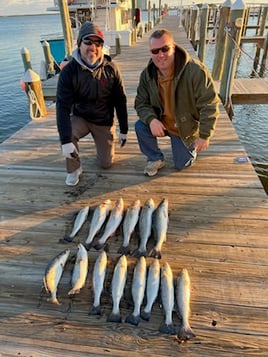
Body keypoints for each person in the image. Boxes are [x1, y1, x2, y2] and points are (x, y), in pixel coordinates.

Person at [134, 28, 220, 177]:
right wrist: (152, 119)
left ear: (173, 47)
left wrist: (205, 135)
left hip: (184, 127)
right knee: (140, 126)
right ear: (150, 53)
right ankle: (155, 158)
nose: (160, 55)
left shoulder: (196, 71)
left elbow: (209, 104)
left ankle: (189, 148)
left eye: (165, 49)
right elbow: (141, 102)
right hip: (161, 121)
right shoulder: (147, 74)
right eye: (155, 51)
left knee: (182, 165)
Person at [56, 21, 128, 186]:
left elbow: (120, 100)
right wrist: (66, 141)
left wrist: (123, 129)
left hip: (103, 120)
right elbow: (62, 108)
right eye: (88, 41)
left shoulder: (111, 69)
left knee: (106, 164)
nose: (92, 47)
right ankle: (74, 169)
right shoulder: (68, 72)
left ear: (102, 47)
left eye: (98, 43)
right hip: (81, 117)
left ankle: (103, 147)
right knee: (68, 133)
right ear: (79, 43)